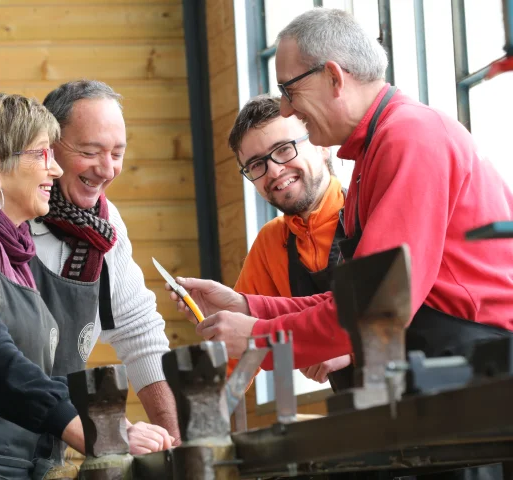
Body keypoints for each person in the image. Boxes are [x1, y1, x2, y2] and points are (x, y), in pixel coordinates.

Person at [169, 8, 513, 386]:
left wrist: (257, 337)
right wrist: (251, 307)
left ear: (333, 76)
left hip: (482, 375)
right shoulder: (375, 152)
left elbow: (372, 310)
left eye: (289, 90)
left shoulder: (410, 138)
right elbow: (353, 300)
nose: (286, 107)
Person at [0, 93, 167, 480]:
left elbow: (43, 378)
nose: (54, 170)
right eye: (42, 155)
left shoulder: (16, 256)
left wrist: (116, 428)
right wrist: (99, 434)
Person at [27, 79, 179, 467]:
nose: (107, 169)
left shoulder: (106, 226)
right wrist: (112, 427)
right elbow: (12, 356)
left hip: (50, 449)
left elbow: (138, 330)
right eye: (91, 152)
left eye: (117, 153)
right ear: (50, 146)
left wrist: (176, 444)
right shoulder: (11, 219)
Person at [226, 94, 351, 387]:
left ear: (321, 144)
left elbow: (419, 312)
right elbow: (238, 364)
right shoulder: (271, 244)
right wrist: (192, 424)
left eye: (283, 149)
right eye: (256, 164)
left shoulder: (372, 212)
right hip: (358, 415)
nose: (274, 170)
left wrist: (354, 350)